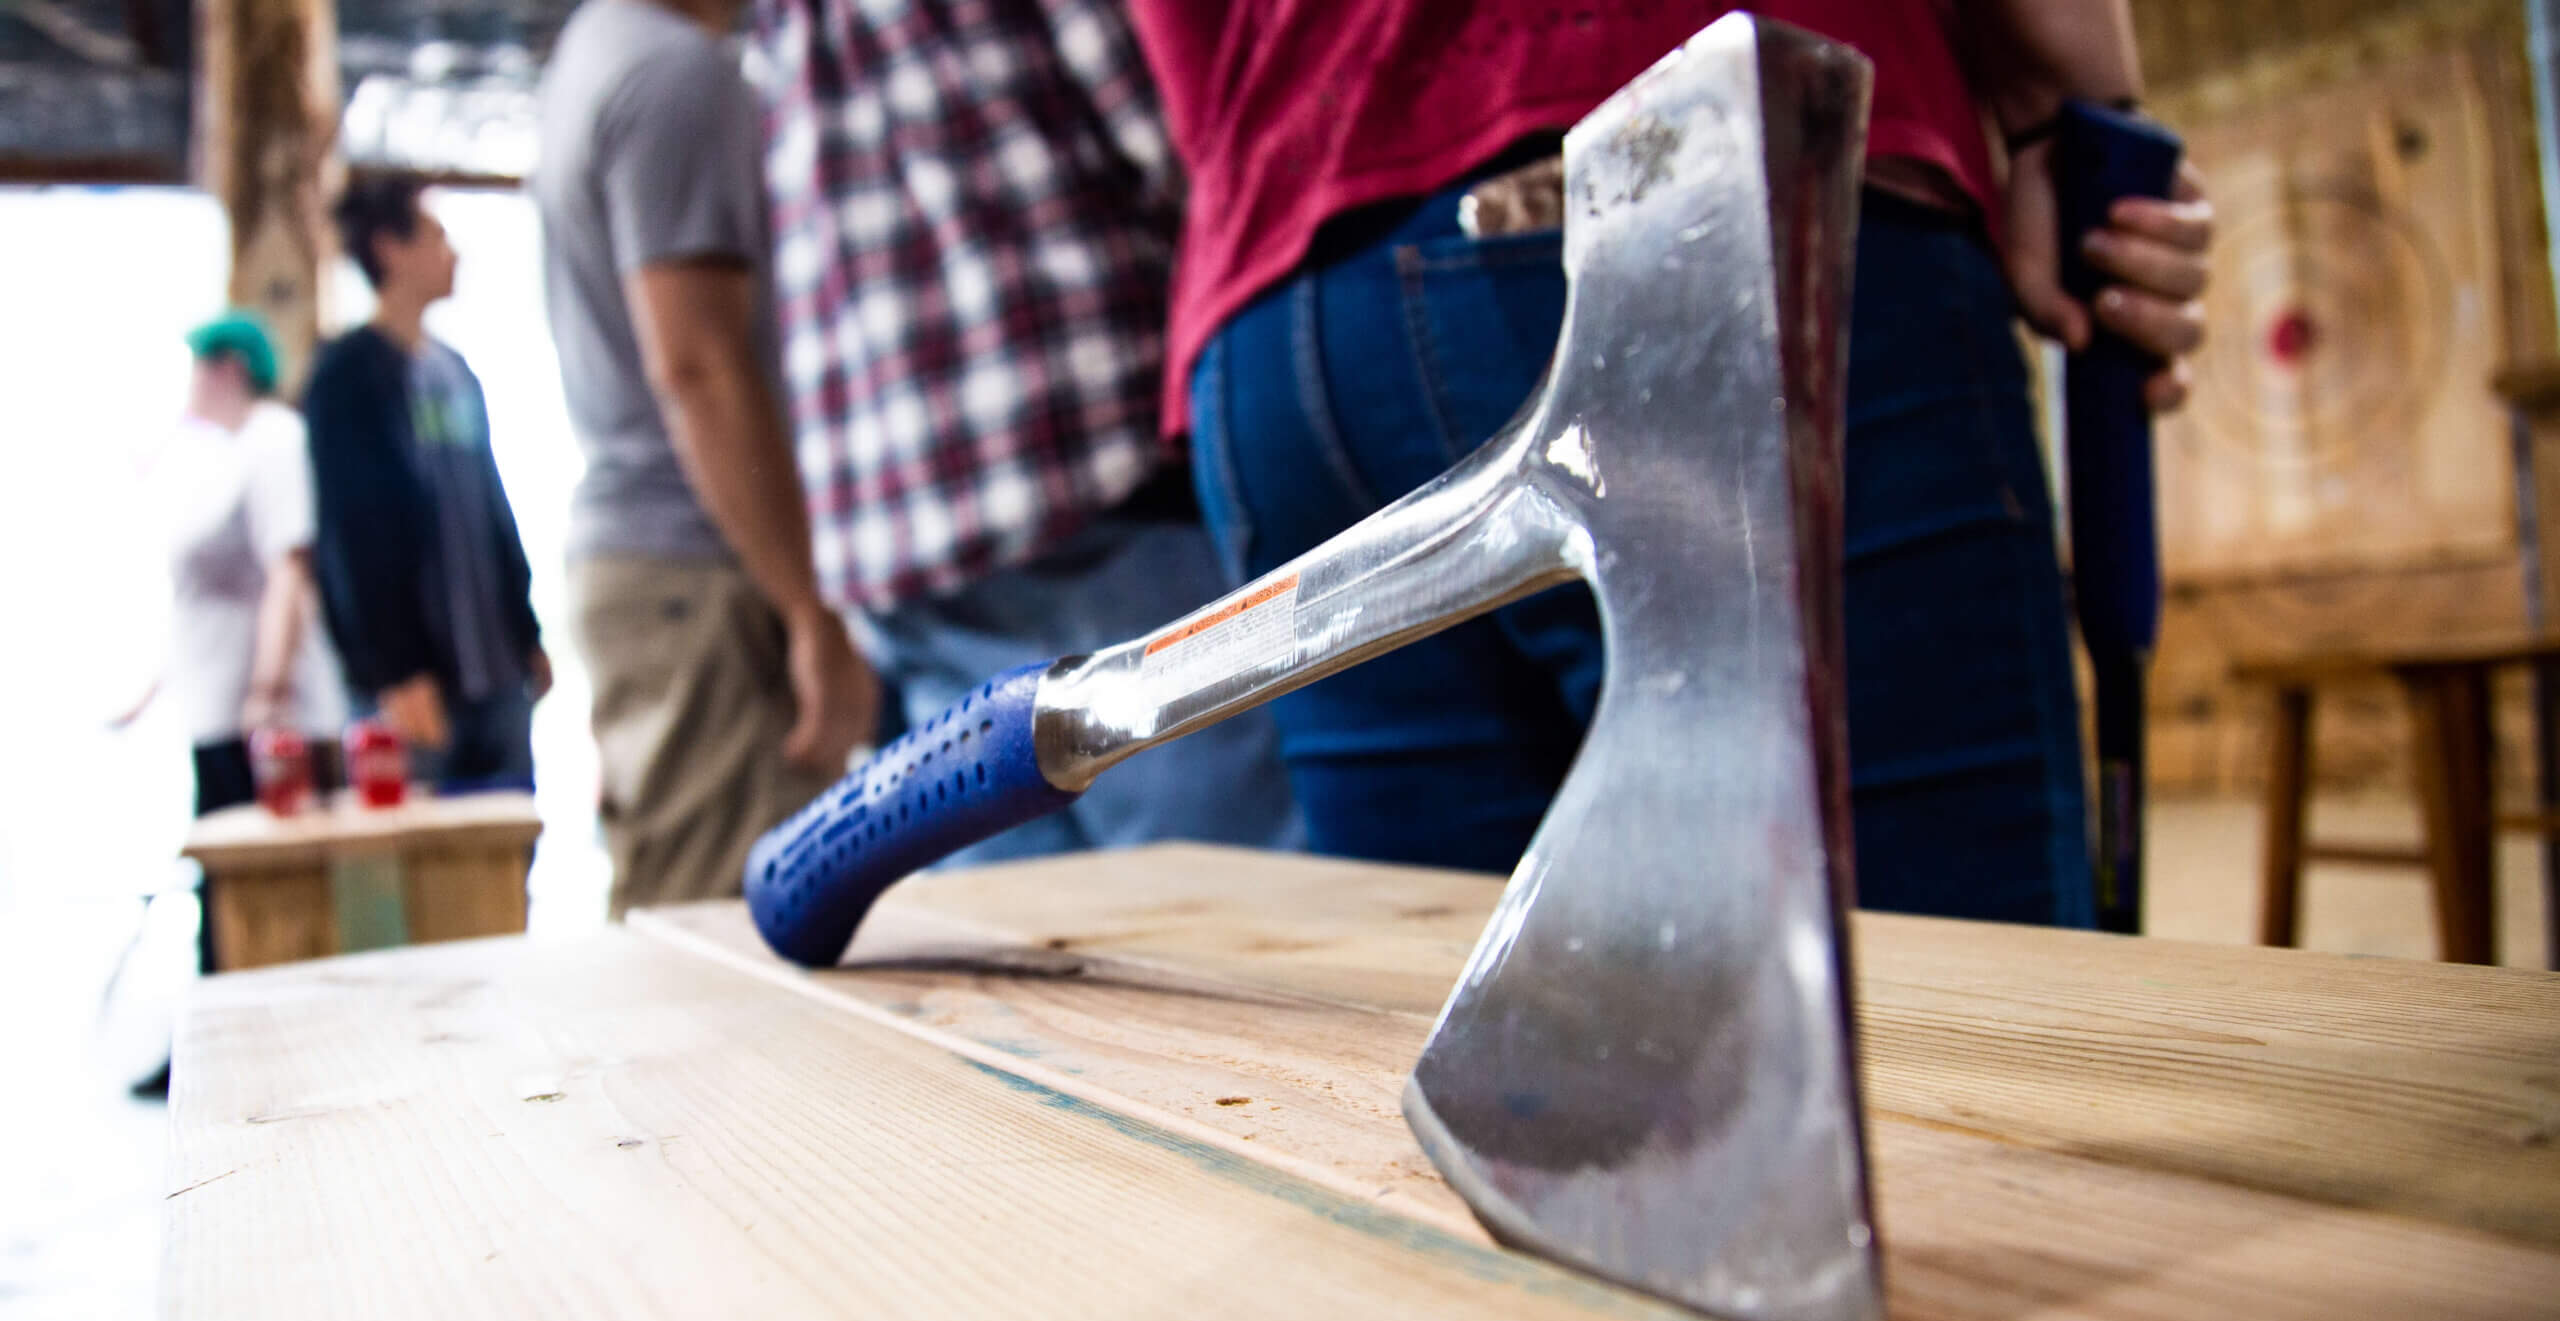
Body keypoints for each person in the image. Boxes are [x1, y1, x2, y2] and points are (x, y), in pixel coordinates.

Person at [1125, 0, 2213, 927]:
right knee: (1956, 1055)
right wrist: (2067, 108)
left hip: (1278, 312)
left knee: (1472, 1080)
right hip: (1707, 159)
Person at [746, 0, 1301, 863]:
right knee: (1237, 904)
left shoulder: (781, 23)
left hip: (894, 513)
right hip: (1075, 453)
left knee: (1018, 933)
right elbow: (1172, 125)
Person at [535, 0, 878, 916]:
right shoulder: (673, 71)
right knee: (723, 935)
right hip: (701, 568)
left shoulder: (591, 50)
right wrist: (809, 611)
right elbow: (696, 364)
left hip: (651, 559)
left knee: (682, 918)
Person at [305, 175, 551, 793]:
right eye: (436, 237)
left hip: (496, 675)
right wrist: (394, 669)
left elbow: (490, 505)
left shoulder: (455, 372)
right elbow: (349, 536)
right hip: (417, 690)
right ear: (389, 247)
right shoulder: (347, 376)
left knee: (508, 859)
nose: (453, 254)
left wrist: (527, 632)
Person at [122, 308, 348, 973]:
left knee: (264, 897)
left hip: (266, 720)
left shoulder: (274, 438)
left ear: (229, 369)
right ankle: (212, 1040)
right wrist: (146, 694)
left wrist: (266, 690)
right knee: (225, 890)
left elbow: (291, 566)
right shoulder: (226, 452)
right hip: (218, 713)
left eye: (197, 367)